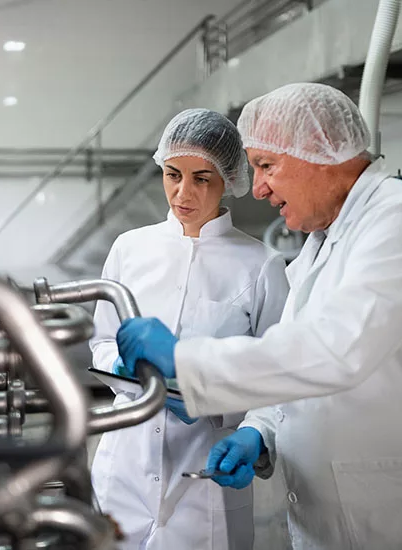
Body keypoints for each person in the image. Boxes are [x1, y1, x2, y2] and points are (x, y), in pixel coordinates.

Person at [116, 83, 402, 549]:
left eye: (266, 166)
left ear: (321, 154)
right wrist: (258, 431)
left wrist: (186, 362)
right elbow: (290, 349)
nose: (257, 188)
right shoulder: (323, 243)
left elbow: (334, 350)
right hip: (339, 512)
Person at [89, 108, 289, 549]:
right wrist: (121, 363)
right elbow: (102, 341)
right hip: (126, 467)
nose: (183, 192)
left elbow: (279, 379)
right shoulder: (130, 249)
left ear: (229, 181)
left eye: (202, 178)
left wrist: (243, 425)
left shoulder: (260, 265)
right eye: (172, 173)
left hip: (206, 475)